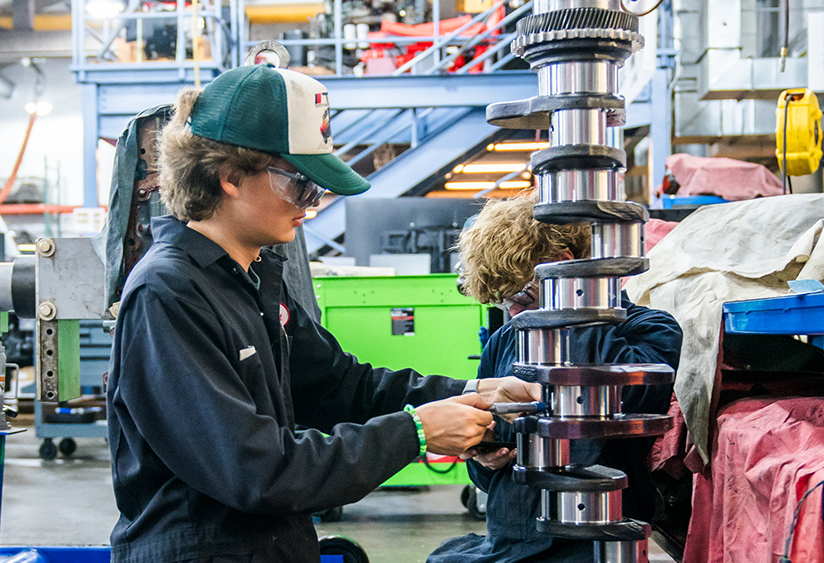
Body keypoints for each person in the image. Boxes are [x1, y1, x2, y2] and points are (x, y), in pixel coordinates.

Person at [104, 65, 541, 563]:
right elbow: (257, 472)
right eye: (299, 184)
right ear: (229, 177)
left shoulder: (254, 279)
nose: (311, 203)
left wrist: (473, 394)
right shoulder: (169, 293)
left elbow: (342, 386)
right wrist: (417, 432)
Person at [429, 195, 683, 563]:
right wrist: (484, 458)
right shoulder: (507, 340)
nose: (514, 313)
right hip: (511, 541)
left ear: (564, 267)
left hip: (597, 542)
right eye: (503, 301)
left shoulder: (650, 330)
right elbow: (485, 477)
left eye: (522, 295)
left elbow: (630, 397)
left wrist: (574, 308)